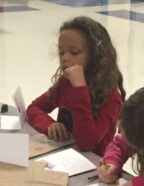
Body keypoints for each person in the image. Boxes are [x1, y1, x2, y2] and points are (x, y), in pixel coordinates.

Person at [26, 16, 125, 156]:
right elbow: (33, 108)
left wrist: (80, 89)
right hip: (65, 156)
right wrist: (49, 125)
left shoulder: (111, 98)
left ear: (95, 57)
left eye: (74, 52)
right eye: (61, 52)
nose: (65, 58)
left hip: (92, 166)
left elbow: (86, 143)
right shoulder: (65, 83)